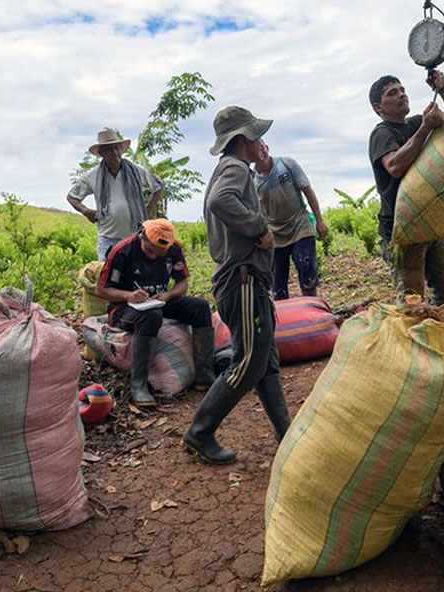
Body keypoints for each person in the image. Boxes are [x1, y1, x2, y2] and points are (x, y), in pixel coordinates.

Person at [183, 106, 291, 465]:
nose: (262, 143)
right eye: (258, 136)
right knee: (247, 362)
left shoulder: (228, 169)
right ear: (244, 139)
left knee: (265, 361)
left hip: (248, 281)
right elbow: (220, 201)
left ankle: (285, 431)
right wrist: (258, 229)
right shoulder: (235, 167)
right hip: (242, 280)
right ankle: (200, 431)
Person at [368, 70, 444, 304]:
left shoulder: (414, 123)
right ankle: (413, 327)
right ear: (378, 107)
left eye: (402, 90)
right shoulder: (382, 134)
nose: (402, 95)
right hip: (402, 230)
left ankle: (438, 324)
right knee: (411, 301)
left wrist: (443, 90)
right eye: (393, 93)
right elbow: (394, 166)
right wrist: (425, 128)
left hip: (428, 224)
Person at [96, 219, 216, 407]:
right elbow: (101, 290)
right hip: (124, 308)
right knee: (152, 316)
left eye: (160, 253)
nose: (154, 256)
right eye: (150, 250)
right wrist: (128, 296)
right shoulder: (122, 251)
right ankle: (139, 385)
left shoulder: (174, 249)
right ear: (142, 238)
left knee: (200, 306)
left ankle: (204, 374)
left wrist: (169, 295)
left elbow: (182, 284)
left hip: (158, 301)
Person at [67, 128, 164, 261]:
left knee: (135, 273)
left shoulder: (136, 171)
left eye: (116, 148)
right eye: (108, 149)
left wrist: (149, 208)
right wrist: (85, 211)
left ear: (121, 149)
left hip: (135, 237)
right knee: (108, 273)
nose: (114, 152)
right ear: (101, 153)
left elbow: (158, 187)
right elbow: (72, 197)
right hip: (108, 239)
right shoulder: (93, 176)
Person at [252, 143, 329, 300]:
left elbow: (307, 190)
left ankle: (311, 306)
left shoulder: (287, 164)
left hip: (299, 224)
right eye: (257, 149)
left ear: (267, 148)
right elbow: (254, 211)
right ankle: (284, 312)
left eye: (262, 147)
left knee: (307, 274)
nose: (261, 152)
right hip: (274, 233)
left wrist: (319, 220)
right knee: (278, 284)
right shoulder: (252, 180)